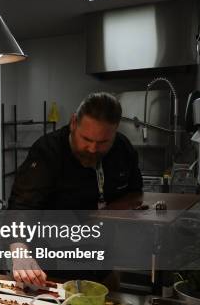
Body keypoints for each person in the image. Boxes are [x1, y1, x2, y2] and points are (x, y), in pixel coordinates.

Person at [8, 92, 143, 285]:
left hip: (100, 256)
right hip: (49, 262)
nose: (93, 149)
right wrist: (20, 252)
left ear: (115, 131)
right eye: (86, 139)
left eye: (103, 142)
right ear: (73, 123)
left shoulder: (123, 149)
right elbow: (21, 207)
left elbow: (135, 192)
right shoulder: (48, 151)